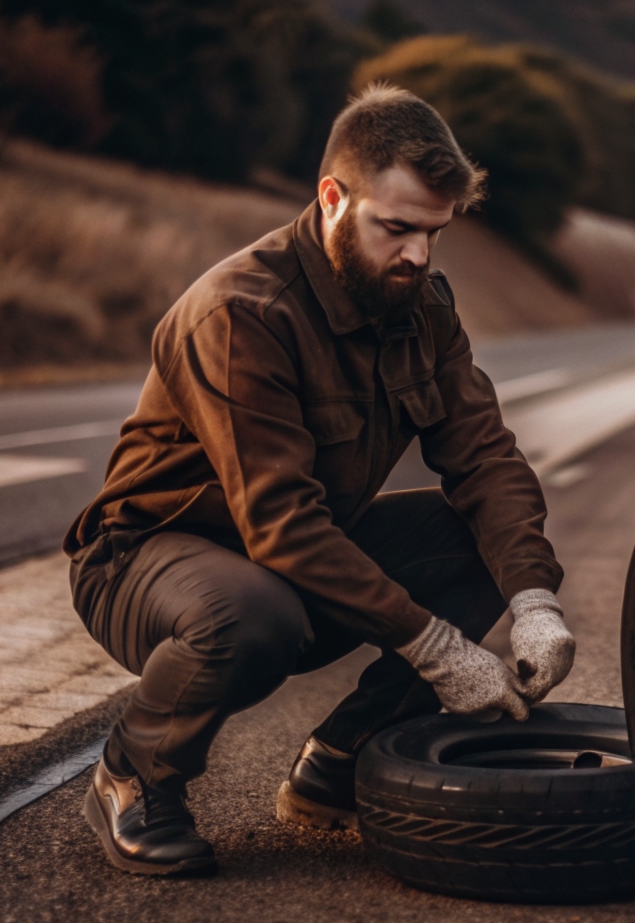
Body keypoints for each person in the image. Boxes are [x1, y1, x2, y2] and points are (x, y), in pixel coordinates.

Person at [65, 85, 575, 876]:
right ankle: (135, 775)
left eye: (433, 235)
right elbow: (280, 522)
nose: (417, 255)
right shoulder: (240, 314)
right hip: (152, 560)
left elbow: (484, 456)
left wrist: (534, 599)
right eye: (396, 229)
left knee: (484, 545)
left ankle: (337, 765)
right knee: (252, 614)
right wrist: (437, 649)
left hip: (295, 556)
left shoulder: (420, 303)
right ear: (333, 198)